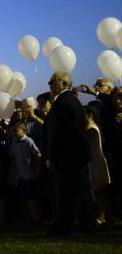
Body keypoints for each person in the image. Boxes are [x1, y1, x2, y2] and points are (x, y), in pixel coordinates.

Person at [45, 72, 96, 236]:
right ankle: (88, 223)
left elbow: (57, 133)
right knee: (81, 191)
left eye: (53, 81)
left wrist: (51, 156)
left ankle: (63, 226)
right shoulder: (72, 100)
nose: (49, 84)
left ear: (64, 84)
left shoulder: (63, 102)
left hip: (66, 156)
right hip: (76, 155)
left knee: (66, 193)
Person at [8, 122, 42, 224]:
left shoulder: (28, 141)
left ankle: (36, 219)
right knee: (23, 197)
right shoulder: (14, 141)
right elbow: (12, 155)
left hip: (29, 174)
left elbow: (38, 154)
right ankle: (28, 218)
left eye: (16, 131)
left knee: (30, 197)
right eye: (13, 131)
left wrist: (37, 171)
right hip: (19, 174)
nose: (14, 133)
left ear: (23, 131)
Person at [84, 105, 112, 225]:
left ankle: (102, 215)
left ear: (90, 115)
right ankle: (106, 215)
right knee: (100, 191)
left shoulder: (91, 129)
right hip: (95, 161)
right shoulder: (93, 127)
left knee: (99, 191)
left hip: (96, 162)